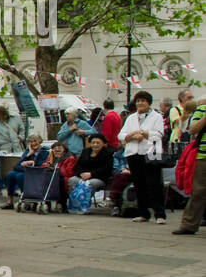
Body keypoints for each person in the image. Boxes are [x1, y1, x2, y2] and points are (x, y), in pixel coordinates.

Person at [119, 89, 167, 223]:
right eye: (138, 101)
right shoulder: (130, 117)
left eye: (143, 101)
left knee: (154, 183)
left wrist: (143, 133)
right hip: (133, 153)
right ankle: (143, 213)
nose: (140, 103)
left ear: (149, 103)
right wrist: (133, 135)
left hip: (151, 152)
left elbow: (158, 134)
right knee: (139, 184)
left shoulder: (157, 117)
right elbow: (121, 135)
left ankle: (160, 214)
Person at [173, 97, 206, 235]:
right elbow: (192, 129)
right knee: (198, 191)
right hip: (203, 157)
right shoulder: (202, 109)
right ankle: (189, 224)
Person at [67, 134, 114, 212]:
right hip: (83, 176)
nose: (95, 144)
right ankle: (74, 204)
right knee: (72, 180)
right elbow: (78, 166)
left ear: (103, 143)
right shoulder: (86, 151)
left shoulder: (108, 153)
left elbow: (107, 168)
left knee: (89, 183)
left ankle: (83, 205)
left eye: (98, 143)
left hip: (99, 177)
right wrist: (81, 173)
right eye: (93, 142)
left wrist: (91, 174)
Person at [1, 133, 47, 210]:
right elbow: (17, 166)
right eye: (31, 142)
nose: (33, 143)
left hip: (36, 173)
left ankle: (26, 199)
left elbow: (40, 165)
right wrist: (28, 155)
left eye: (35, 141)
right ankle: (9, 201)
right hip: (25, 171)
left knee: (20, 176)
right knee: (11, 174)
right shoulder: (28, 151)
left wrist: (30, 162)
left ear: (40, 141)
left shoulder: (44, 152)